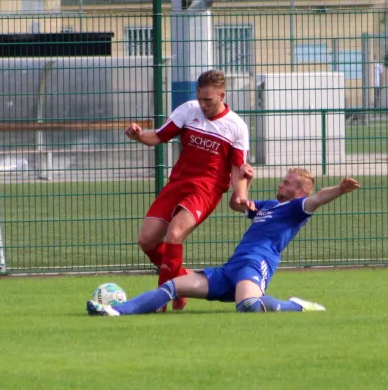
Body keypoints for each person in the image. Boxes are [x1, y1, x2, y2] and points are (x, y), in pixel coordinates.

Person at [87, 168, 361, 316]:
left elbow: (318, 198)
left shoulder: (297, 208)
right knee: (172, 285)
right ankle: (115, 311)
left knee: (249, 307)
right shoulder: (268, 206)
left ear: (299, 191)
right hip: (229, 269)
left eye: (286, 183)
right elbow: (236, 204)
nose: (280, 184)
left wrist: (339, 189)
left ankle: (297, 306)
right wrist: (244, 184)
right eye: (282, 180)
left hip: (254, 266)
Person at [124, 69, 251, 311]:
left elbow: (238, 168)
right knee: (147, 240)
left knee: (175, 234)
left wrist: (241, 195)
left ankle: (161, 299)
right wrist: (139, 136)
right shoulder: (188, 110)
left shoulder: (236, 126)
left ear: (222, 95)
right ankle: (181, 280)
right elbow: (160, 136)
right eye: (200, 98)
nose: (202, 105)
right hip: (178, 183)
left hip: (207, 188)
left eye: (208, 100)